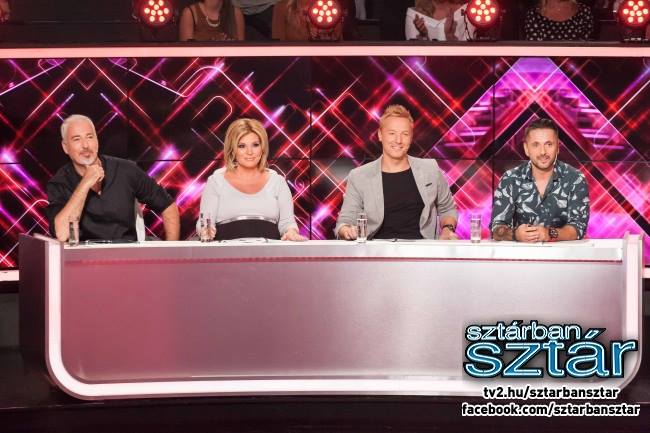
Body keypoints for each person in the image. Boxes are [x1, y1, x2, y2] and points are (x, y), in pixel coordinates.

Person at [46, 114, 180, 242]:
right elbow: (62, 234)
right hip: (85, 255)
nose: (85, 145)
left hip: (126, 254)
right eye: (76, 139)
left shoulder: (126, 170)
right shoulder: (59, 183)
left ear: (97, 140)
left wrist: (172, 251)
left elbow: (168, 205)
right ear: (65, 147)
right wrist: (85, 183)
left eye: (90, 137)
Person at [335, 104, 458, 241]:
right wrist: (346, 230)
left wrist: (447, 230)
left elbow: (447, 208)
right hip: (376, 250)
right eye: (392, 133)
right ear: (380, 135)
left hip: (422, 250)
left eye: (405, 134)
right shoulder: (359, 176)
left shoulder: (430, 169)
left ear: (411, 137)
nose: (398, 140)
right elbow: (345, 221)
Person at [196, 118, 305, 241]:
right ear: (232, 149)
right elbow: (204, 222)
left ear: (262, 147)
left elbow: (287, 223)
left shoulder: (277, 181)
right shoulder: (216, 181)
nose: (249, 152)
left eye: (255, 145)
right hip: (226, 250)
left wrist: (291, 232)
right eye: (241, 146)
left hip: (269, 251)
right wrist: (205, 231)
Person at [490, 118, 590, 243]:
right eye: (536, 145)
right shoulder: (510, 179)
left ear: (558, 147)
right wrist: (515, 234)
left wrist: (550, 234)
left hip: (564, 254)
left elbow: (579, 228)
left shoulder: (575, 179)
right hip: (521, 254)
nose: (543, 152)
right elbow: (496, 228)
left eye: (549, 144)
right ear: (526, 149)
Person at [272, 0, 357, 41]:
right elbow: (277, 46)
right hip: (294, 64)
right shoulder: (282, 8)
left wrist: (326, 34)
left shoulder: (330, 6)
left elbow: (339, 42)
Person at [524, 0, 594, 41]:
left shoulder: (584, 12)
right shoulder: (534, 14)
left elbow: (585, 49)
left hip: (576, 61)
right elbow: (534, 50)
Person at [405, 0, 475, 41]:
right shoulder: (414, 15)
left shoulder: (469, 10)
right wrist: (424, 36)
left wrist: (450, 37)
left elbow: (470, 54)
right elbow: (415, 57)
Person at [179, 0, 245, 41]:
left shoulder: (236, 13)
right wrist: (213, 42)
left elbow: (241, 52)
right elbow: (186, 53)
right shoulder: (189, 13)